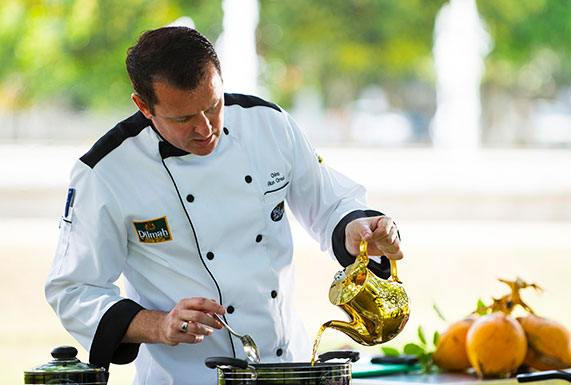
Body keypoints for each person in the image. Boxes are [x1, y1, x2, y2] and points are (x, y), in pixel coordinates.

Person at [45, 26, 402, 385]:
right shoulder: (105, 172)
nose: (205, 128)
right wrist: (160, 325)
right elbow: (74, 290)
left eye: (214, 106)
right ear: (143, 106)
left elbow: (331, 203)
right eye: (183, 118)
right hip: (184, 377)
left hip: (285, 368)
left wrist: (357, 229)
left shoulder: (269, 124)